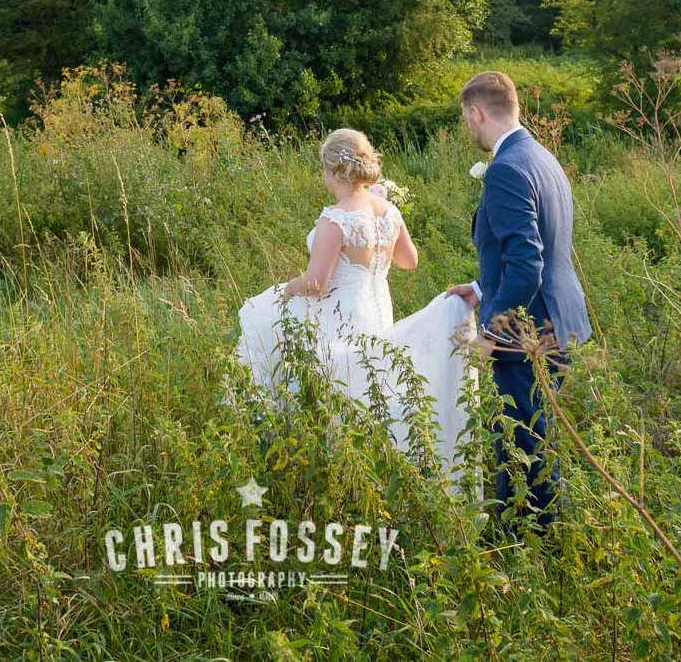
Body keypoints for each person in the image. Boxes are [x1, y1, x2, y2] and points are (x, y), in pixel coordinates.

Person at [235, 128, 477, 468]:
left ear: (334, 171)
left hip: (343, 313)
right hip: (379, 308)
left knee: (339, 384)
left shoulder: (334, 219)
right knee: (374, 382)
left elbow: (317, 283)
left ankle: (336, 464)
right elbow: (410, 261)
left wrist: (287, 288)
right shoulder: (388, 210)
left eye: (323, 170)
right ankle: (377, 458)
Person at [446, 71, 592, 530]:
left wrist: (492, 332)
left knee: (522, 441)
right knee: (535, 435)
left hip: (528, 330)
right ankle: (539, 538)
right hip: (557, 318)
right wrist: (481, 287)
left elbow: (528, 262)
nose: (469, 128)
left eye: (466, 118)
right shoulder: (540, 155)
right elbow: (526, 249)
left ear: (477, 112)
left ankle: (531, 546)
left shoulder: (507, 167)